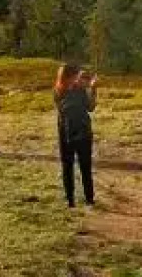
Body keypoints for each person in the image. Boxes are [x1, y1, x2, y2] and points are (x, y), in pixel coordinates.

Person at [54, 62, 97, 207]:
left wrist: (90, 88)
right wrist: (91, 88)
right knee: (79, 166)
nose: (79, 78)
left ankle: (76, 200)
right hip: (76, 131)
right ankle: (82, 199)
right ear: (70, 76)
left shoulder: (61, 90)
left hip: (70, 131)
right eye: (77, 75)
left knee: (73, 166)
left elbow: (89, 107)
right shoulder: (69, 91)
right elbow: (89, 107)